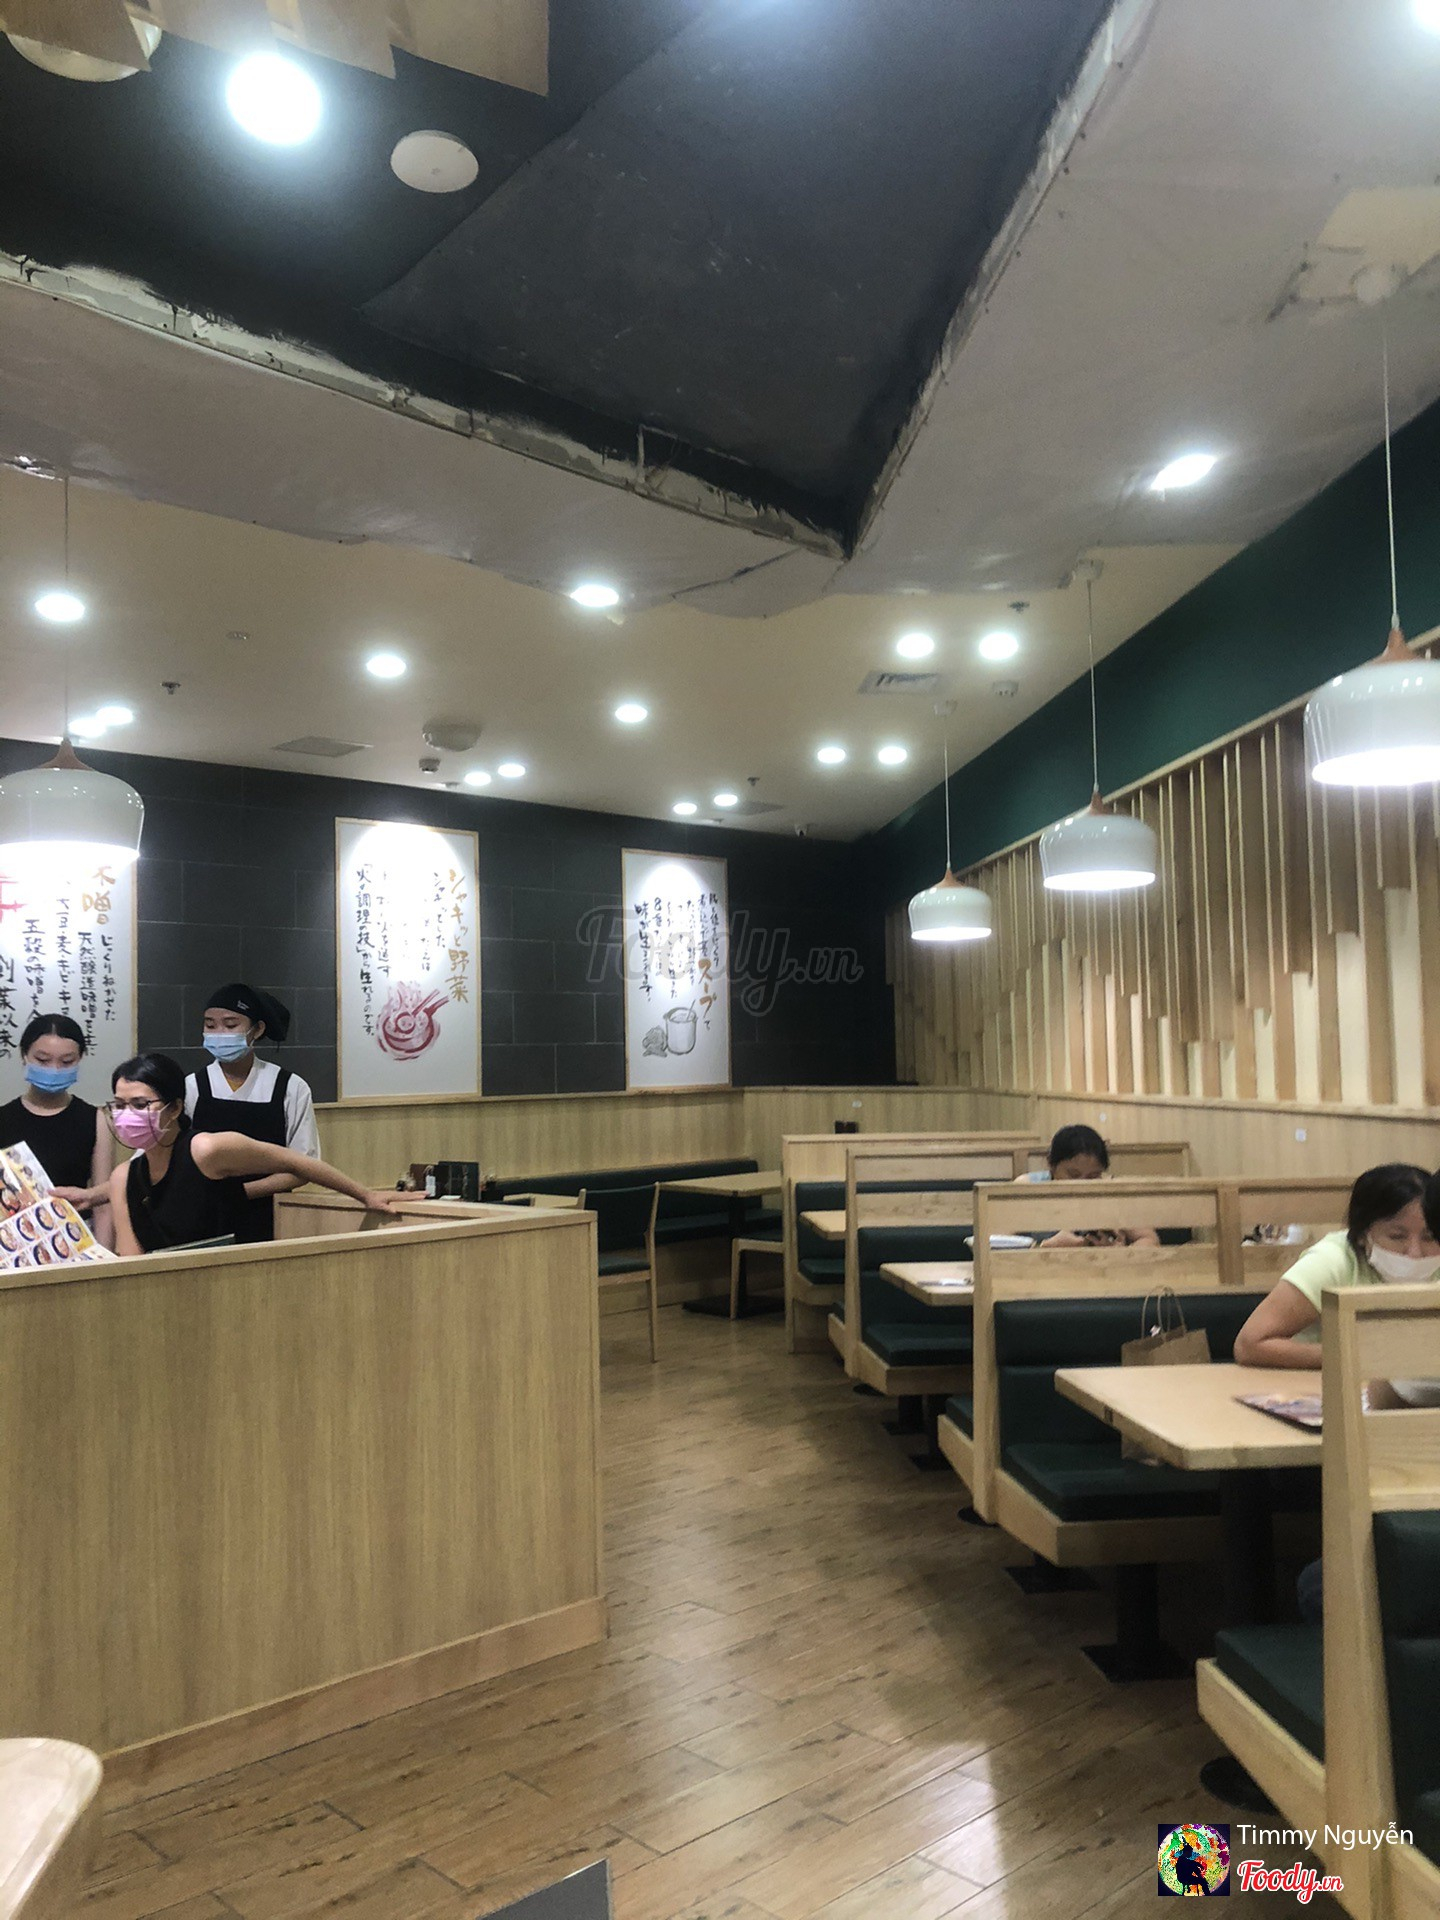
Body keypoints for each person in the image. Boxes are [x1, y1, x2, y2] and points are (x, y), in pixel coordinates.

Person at [107, 1052, 398, 1257]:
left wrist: (366, 1195)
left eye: (140, 1104)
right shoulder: (123, 1177)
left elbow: (297, 1162)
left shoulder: (206, 1149)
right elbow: (131, 1257)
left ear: (175, 1108)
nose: (126, 1115)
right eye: (119, 1105)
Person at [1234, 1163, 1440, 1370]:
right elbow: (1249, 1345)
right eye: (1397, 1236)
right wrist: (1359, 1358)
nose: (1415, 1253)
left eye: (1430, 1237)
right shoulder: (1331, 1261)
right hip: (1315, 1381)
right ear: (1362, 1235)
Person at [184, 983, 320, 1243]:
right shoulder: (191, 1086)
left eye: (230, 1025)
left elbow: (305, 1166)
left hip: (271, 1219)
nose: (219, 1034)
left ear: (257, 1029)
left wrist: (239, 1192)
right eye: (210, 1025)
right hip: (203, 1217)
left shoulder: (290, 1087)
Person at [0, 1013, 115, 1239]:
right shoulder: (3, 1119)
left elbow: (102, 1203)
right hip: (12, 1242)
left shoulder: (95, 1119)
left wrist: (104, 1255)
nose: (54, 1069)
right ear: (24, 1056)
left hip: (75, 1239)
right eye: (43, 1060)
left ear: (80, 1059)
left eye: (67, 1062)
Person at [1018, 1124, 1159, 1248]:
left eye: (1093, 1176)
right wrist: (1047, 1247)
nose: (1082, 1184)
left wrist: (1120, 1253)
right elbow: (1004, 1244)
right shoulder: (1028, 1187)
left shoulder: (1113, 1192)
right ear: (1051, 1165)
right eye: (1073, 1175)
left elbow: (1150, 1240)